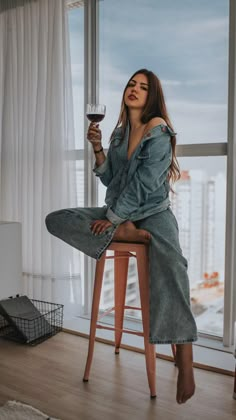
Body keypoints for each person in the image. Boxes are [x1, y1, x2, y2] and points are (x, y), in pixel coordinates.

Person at [45, 68, 198, 404]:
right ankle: (130, 234)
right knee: (57, 219)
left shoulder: (158, 131)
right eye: (131, 84)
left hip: (152, 214)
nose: (134, 89)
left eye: (143, 87)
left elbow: (144, 187)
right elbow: (111, 180)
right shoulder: (117, 133)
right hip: (118, 213)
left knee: (173, 262)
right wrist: (98, 149)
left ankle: (184, 358)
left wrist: (113, 219)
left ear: (151, 96)